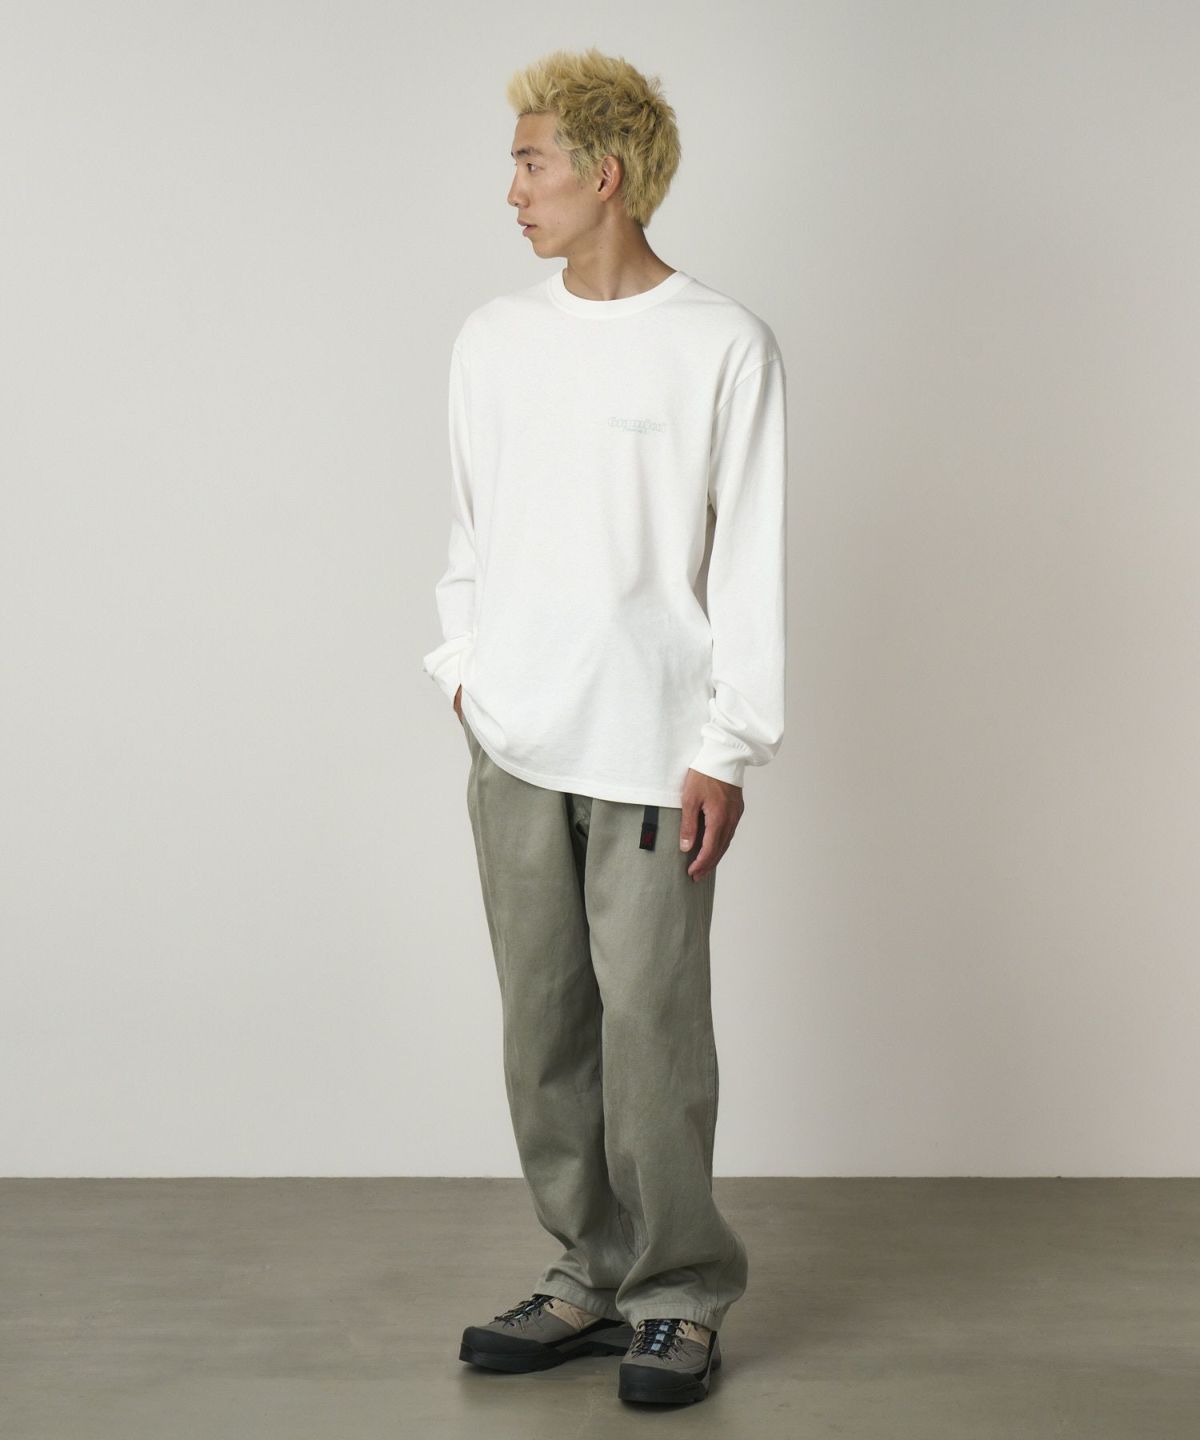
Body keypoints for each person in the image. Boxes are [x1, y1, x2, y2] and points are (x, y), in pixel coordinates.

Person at [421, 46, 787, 1407]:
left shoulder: (723, 345)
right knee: (543, 1031)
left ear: (606, 174)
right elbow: (470, 531)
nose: (513, 190)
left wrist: (727, 745)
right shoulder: (493, 339)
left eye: (532, 163)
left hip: (653, 748)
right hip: (513, 739)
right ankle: (586, 1271)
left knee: (650, 1035)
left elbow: (747, 563)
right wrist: (464, 670)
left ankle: (678, 1294)